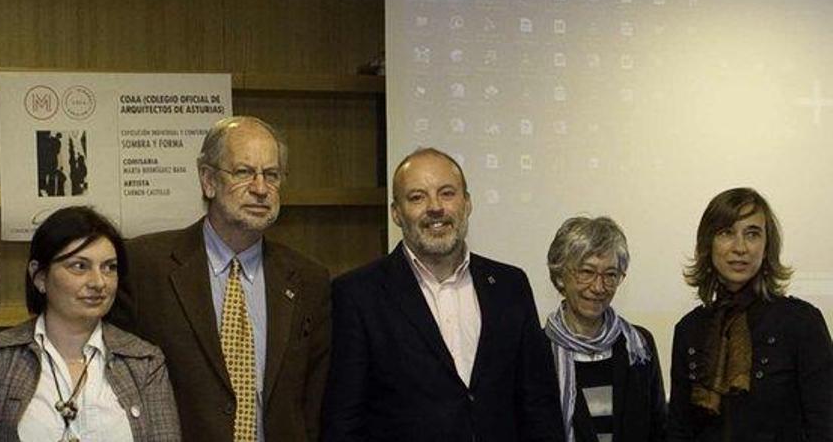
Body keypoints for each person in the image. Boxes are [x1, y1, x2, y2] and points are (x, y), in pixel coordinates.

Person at [109, 116, 331, 442]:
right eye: (243, 172)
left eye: (271, 175)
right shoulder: (143, 267)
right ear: (208, 180)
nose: (260, 189)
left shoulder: (308, 279)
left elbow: (315, 400)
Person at [322, 148, 564, 442]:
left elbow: (539, 405)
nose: (435, 207)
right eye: (417, 197)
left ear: (467, 203)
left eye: (447, 193)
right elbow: (343, 420)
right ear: (396, 213)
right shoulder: (358, 295)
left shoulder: (510, 286)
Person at [0, 206, 180, 441]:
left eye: (109, 267)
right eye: (80, 266)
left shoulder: (144, 361)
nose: (99, 282)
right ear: (39, 276)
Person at [668, 187, 833, 441]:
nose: (740, 247)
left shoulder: (801, 323)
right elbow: (679, 430)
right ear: (708, 244)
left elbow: (824, 426)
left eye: (752, 234)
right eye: (726, 233)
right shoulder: (690, 329)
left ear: (767, 247)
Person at [544, 216, 666, 442]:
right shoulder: (537, 352)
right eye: (586, 272)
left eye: (610, 275)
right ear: (560, 276)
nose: (599, 287)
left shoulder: (638, 346)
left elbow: (658, 429)